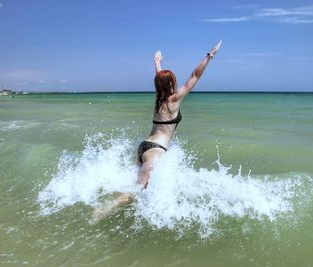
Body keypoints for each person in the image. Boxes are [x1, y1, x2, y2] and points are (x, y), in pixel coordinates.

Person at [93, 41, 222, 219]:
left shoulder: (158, 98)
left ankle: (124, 213)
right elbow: (194, 76)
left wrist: (157, 62)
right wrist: (209, 56)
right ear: (172, 83)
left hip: (144, 147)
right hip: (155, 152)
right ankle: (105, 209)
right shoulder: (174, 100)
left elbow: (160, 79)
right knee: (137, 190)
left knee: (138, 186)